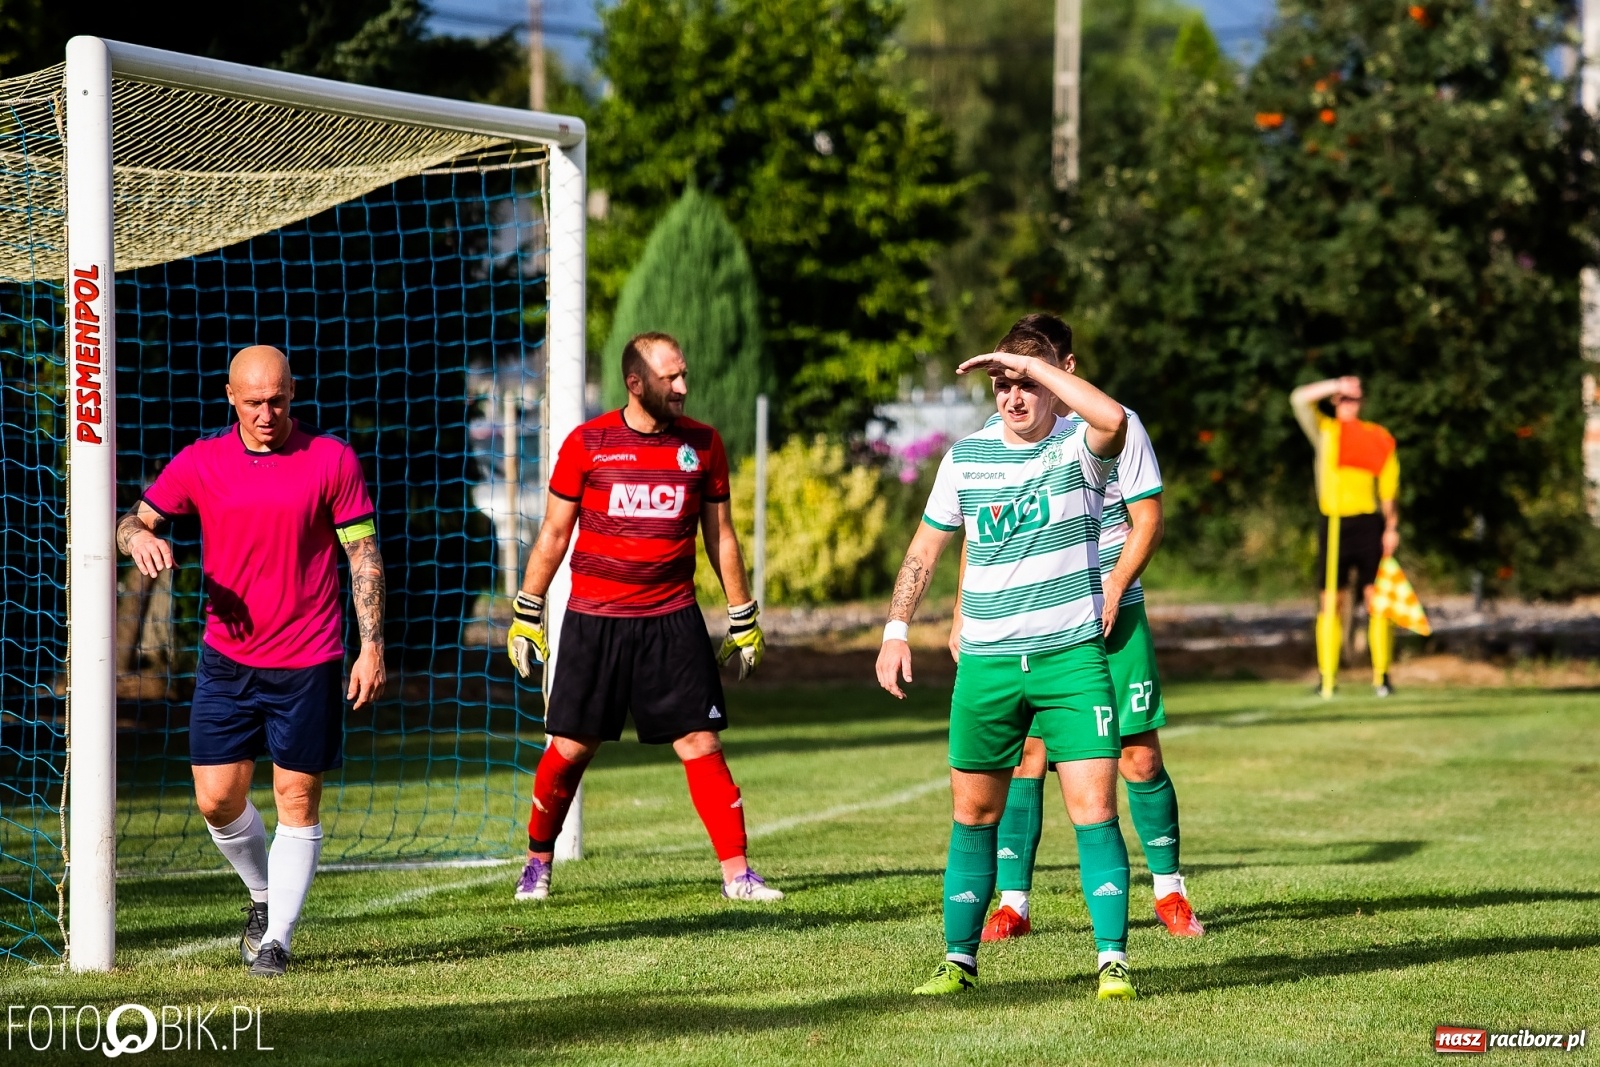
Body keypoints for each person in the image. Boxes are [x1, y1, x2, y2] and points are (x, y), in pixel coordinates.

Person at [876, 324, 1138, 1001]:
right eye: (1003, 383)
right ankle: (958, 960)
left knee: (1094, 808)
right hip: (987, 666)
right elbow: (922, 553)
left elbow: (1113, 417)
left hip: (1071, 661)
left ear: (1054, 377)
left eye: (1027, 380)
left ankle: (1112, 960)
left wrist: (1031, 365)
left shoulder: (1080, 448)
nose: (1014, 394)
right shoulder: (965, 458)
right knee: (973, 815)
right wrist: (896, 628)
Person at [117, 345, 385, 978]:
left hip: (310, 658)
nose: (269, 412)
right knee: (215, 799)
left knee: (295, 797)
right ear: (231, 398)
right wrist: (140, 538)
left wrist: (371, 644)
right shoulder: (199, 462)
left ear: (293, 393)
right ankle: (264, 899)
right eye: (256, 401)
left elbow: (363, 555)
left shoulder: (331, 459)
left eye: (280, 400)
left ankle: (278, 942)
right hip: (226, 662)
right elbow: (133, 520)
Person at [947, 313, 1203, 945]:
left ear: (1067, 369)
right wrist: (959, 614)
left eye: (1040, 370)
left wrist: (1113, 587)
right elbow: (982, 533)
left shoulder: (1116, 425)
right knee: (1029, 754)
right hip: (1033, 628)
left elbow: (1147, 520)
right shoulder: (997, 432)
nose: (1025, 387)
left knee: (1138, 756)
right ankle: (1014, 902)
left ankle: (1169, 893)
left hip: (1112, 610)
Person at [506, 331, 780, 904]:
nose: (683, 387)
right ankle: (536, 864)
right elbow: (555, 534)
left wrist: (742, 615)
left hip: (672, 621)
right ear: (636, 383)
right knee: (572, 748)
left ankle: (738, 876)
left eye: (683, 375)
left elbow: (721, 535)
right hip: (594, 620)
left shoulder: (703, 445)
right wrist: (527, 612)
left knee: (700, 741)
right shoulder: (588, 443)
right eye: (670, 378)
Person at [1289, 376, 1400, 697]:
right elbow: (1299, 398)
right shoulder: (1326, 431)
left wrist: (1391, 527)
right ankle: (1327, 678)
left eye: (1353, 399)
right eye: (1342, 399)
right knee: (1330, 601)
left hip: (1368, 522)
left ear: (1362, 403)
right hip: (1333, 523)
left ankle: (1382, 677)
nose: (1347, 404)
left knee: (1375, 600)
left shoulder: (1378, 437)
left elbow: (1389, 489)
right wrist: (1336, 385)